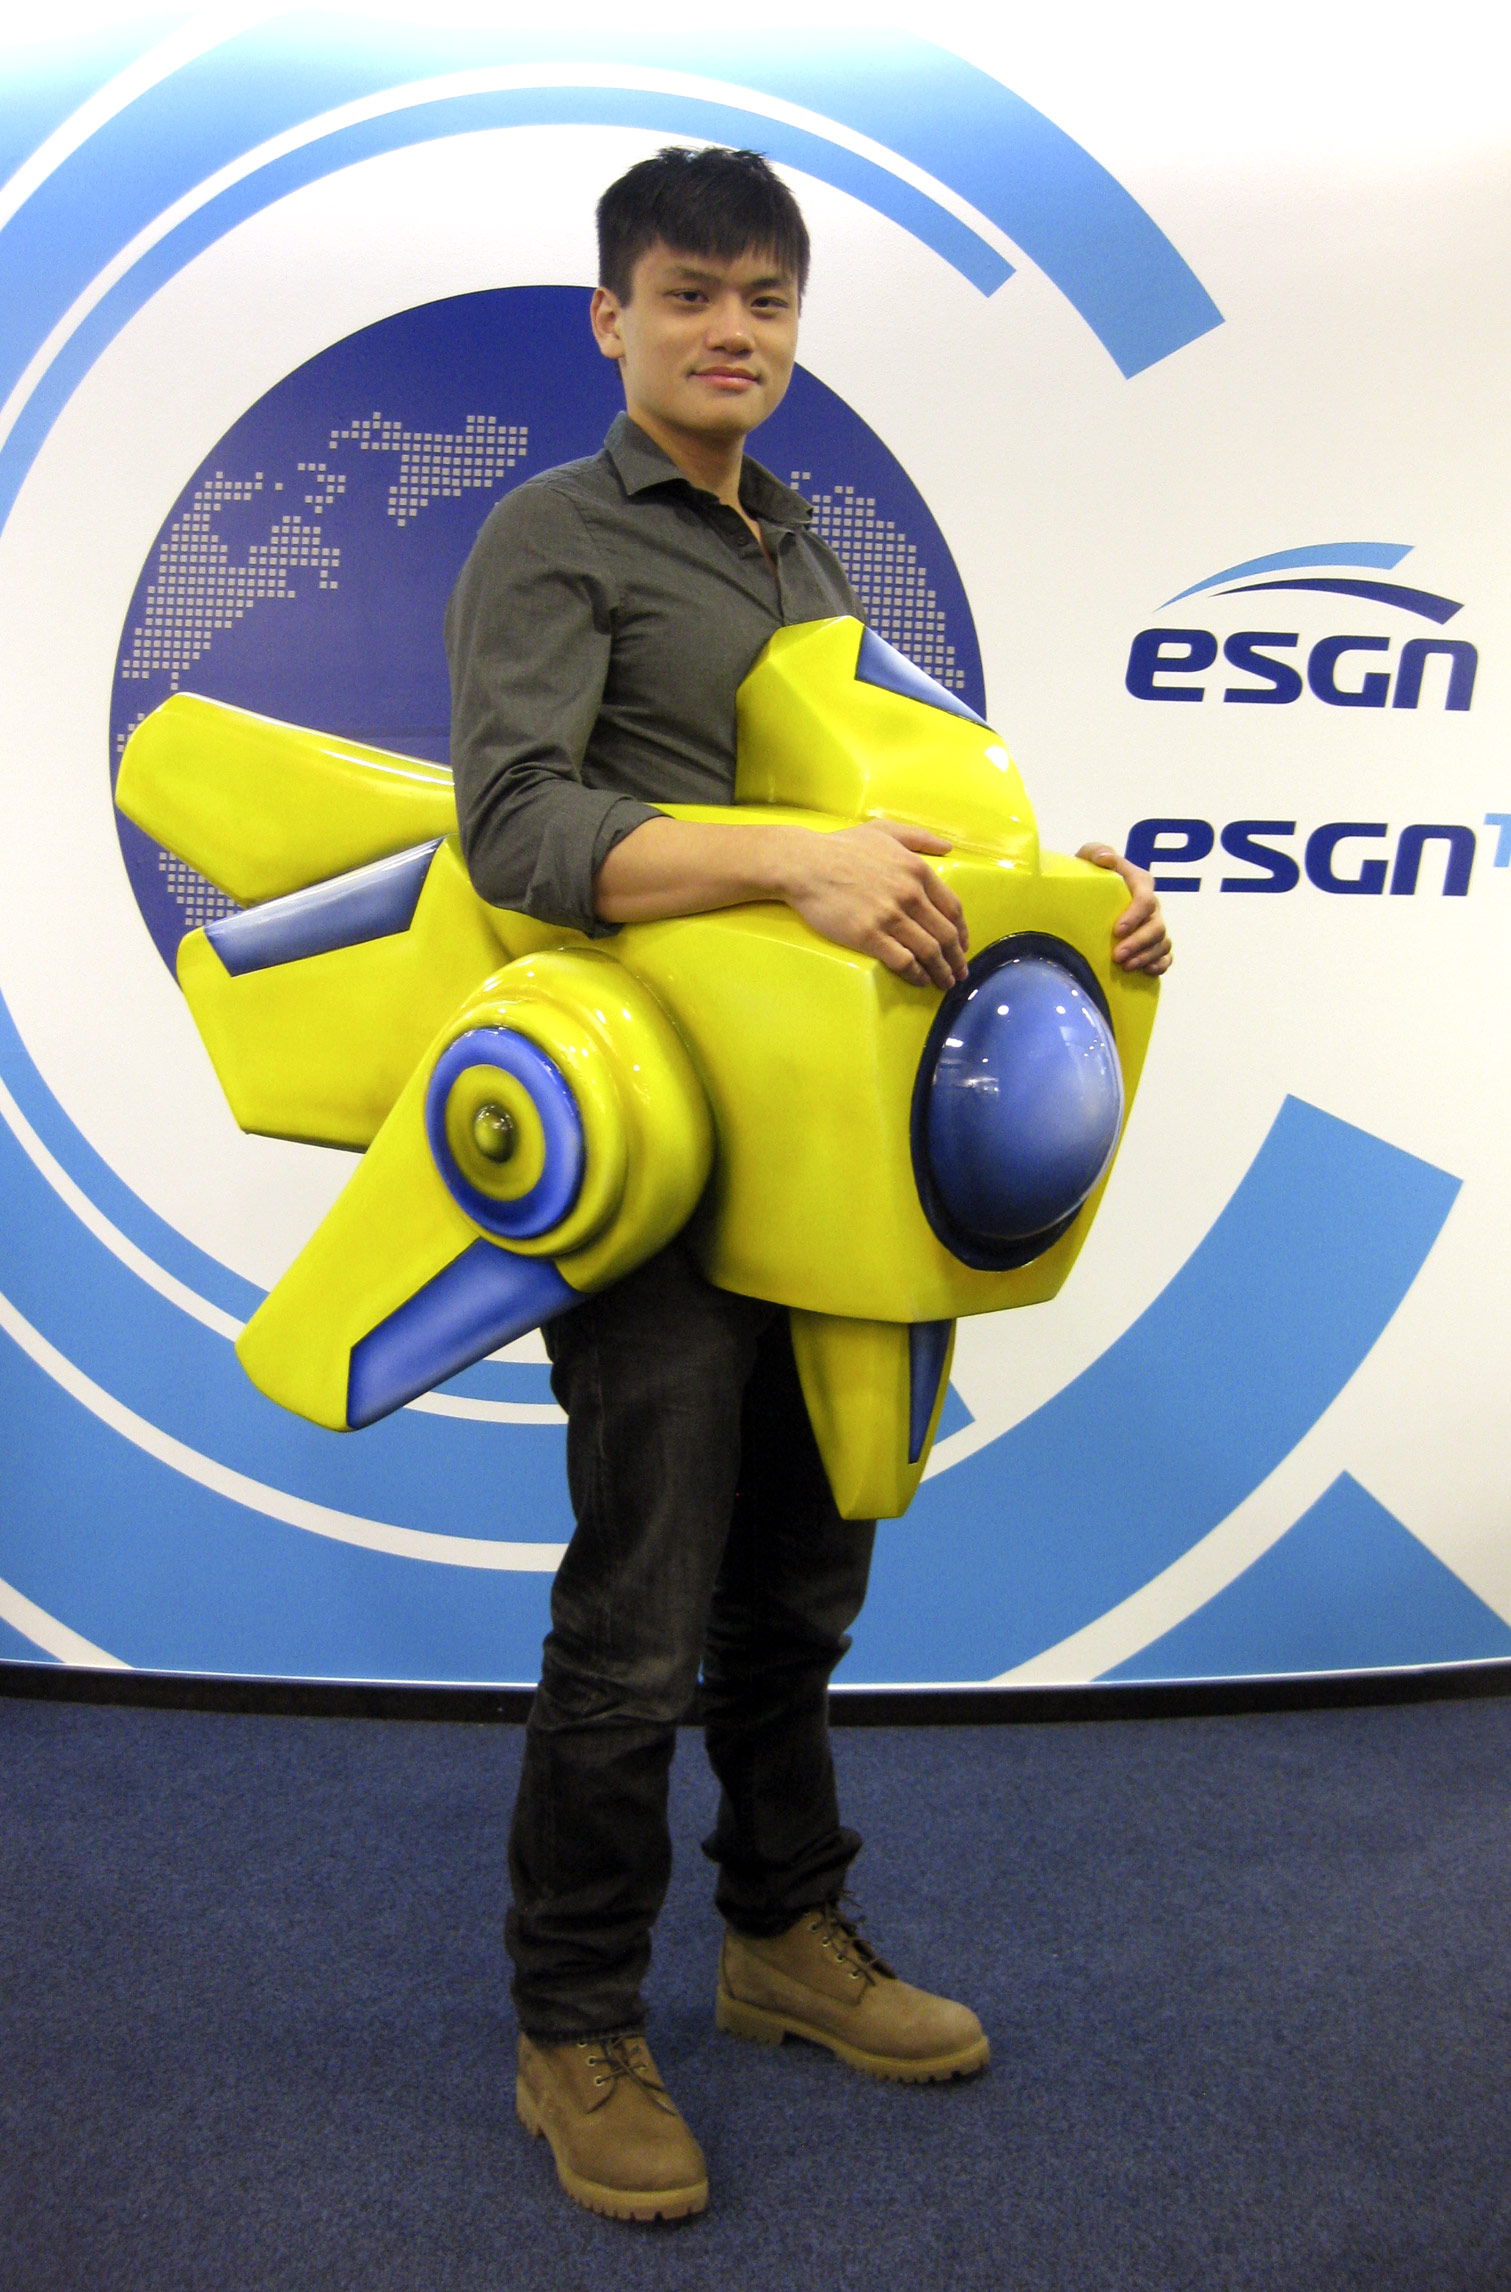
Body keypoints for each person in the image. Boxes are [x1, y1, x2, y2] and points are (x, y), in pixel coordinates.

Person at [446, 144, 1172, 2224]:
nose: (731, 331)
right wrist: (789, 862)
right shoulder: (553, 535)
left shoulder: (816, 561)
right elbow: (520, 830)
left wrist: (1073, 899)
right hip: (670, 1161)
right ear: (613, 319)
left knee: (802, 1593)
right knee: (639, 1614)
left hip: (843, 1161)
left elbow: (900, 829)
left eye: (764, 299)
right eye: (689, 295)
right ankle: (574, 2023)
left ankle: (781, 1936)